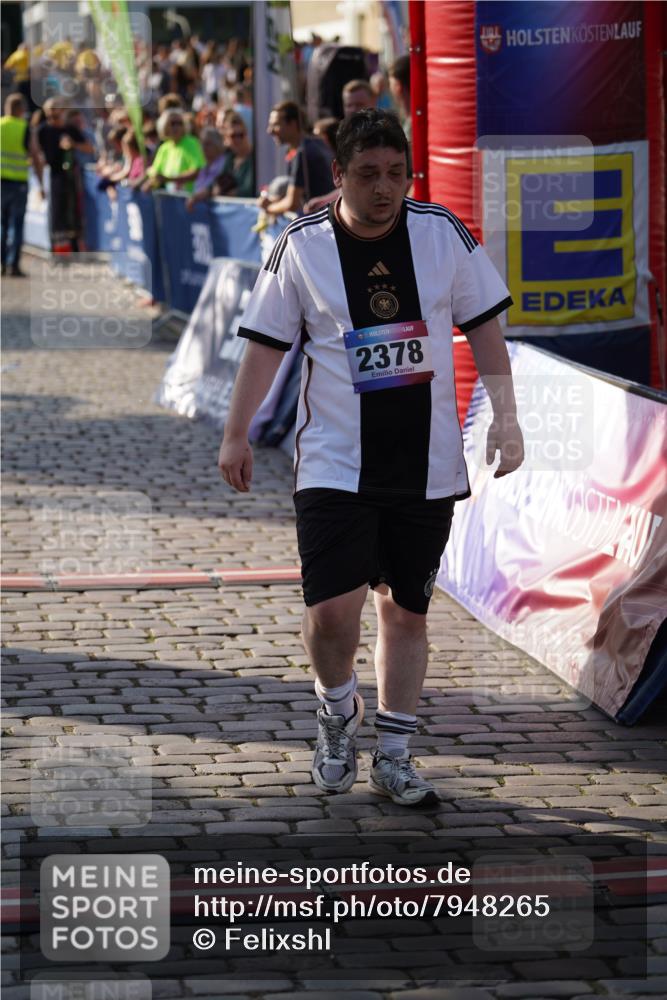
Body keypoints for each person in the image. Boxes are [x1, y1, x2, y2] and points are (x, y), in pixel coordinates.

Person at [218, 110, 524, 807]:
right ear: (338, 176)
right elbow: (264, 345)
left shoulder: (441, 233)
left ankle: (394, 751)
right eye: (367, 175)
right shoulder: (298, 245)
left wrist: (507, 422)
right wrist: (235, 434)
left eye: (396, 173)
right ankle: (335, 711)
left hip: (426, 461)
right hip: (333, 458)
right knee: (331, 611)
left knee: (405, 613)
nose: (384, 189)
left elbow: (486, 333)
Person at [37, 98, 94, 253]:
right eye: (49, 116)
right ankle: (58, 250)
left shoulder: (70, 129)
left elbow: (90, 148)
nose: (52, 120)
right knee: (56, 214)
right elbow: (37, 154)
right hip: (53, 176)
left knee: (73, 212)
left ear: (62, 113)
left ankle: (75, 247)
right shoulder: (43, 130)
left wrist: (73, 145)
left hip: (70, 176)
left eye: (55, 116)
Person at [259, 100, 333, 217]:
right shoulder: (318, 144)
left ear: (293, 124)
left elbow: (292, 203)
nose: (270, 131)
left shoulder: (303, 153)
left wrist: (268, 208)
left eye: (276, 125)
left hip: (319, 223)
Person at [1, 94, 43, 276]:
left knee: (2, 224)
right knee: (16, 225)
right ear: (21, 109)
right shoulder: (25, 128)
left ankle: (2, 263)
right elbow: (35, 155)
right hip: (18, 183)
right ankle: (14, 266)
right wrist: (41, 183)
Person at [139, 108, 205, 192]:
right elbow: (156, 174)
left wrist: (168, 179)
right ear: (164, 126)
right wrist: (149, 184)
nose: (176, 127)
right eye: (173, 123)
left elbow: (195, 173)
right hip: (171, 200)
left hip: (188, 200)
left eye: (180, 123)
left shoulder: (191, 143)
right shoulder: (164, 148)